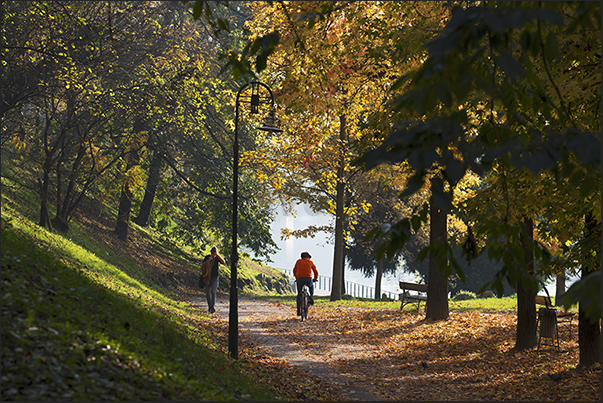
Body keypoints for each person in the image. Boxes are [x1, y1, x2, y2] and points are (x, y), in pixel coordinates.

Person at [293, 251, 318, 316]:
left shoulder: (298, 261)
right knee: (311, 286)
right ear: (308, 257)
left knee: (299, 294)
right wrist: (315, 279)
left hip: (299, 279)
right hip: (308, 279)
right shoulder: (310, 262)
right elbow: (315, 271)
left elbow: (294, 270)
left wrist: (297, 277)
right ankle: (311, 296)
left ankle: (299, 310)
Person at [204, 246, 225, 313]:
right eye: (212, 253)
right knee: (208, 292)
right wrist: (208, 261)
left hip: (215, 277)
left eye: (214, 253)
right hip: (208, 277)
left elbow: (223, 262)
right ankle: (210, 306)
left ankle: (212, 306)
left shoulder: (216, 259)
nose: (213, 254)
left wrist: (217, 255)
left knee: (213, 292)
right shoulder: (207, 257)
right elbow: (203, 265)